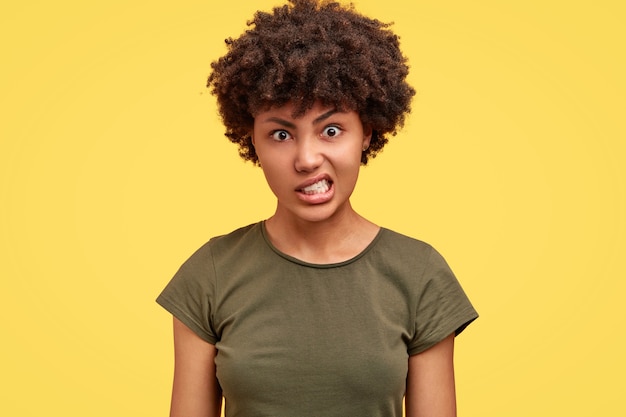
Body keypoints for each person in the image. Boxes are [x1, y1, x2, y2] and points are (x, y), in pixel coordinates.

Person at [156, 0, 478, 416]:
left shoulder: (420, 275)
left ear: (366, 132)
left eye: (331, 130)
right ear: (251, 139)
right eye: (280, 134)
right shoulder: (210, 274)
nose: (307, 159)